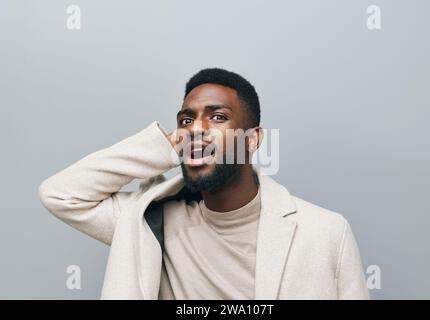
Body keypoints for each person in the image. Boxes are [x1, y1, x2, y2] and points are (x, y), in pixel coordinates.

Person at [38, 68, 370, 299]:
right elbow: (61, 194)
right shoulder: (149, 223)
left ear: (252, 140)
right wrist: (163, 147)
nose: (196, 128)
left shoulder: (327, 232)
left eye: (218, 117)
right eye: (186, 119)